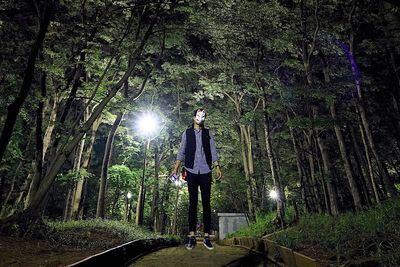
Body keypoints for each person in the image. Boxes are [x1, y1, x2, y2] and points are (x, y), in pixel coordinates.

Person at [171, 108, 222, 250]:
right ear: (194, 117)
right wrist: (175, 169)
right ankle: (191, 237)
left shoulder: (208, 133)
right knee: (192, 203)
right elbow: (181, 151)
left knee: (206, 204)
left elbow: (213, 151)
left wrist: (217, 166)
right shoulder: (187, 133)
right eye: (198, 116)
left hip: (206, 171)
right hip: (191, 171)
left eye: (203, 116)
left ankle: (206, 237)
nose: (201, 118)